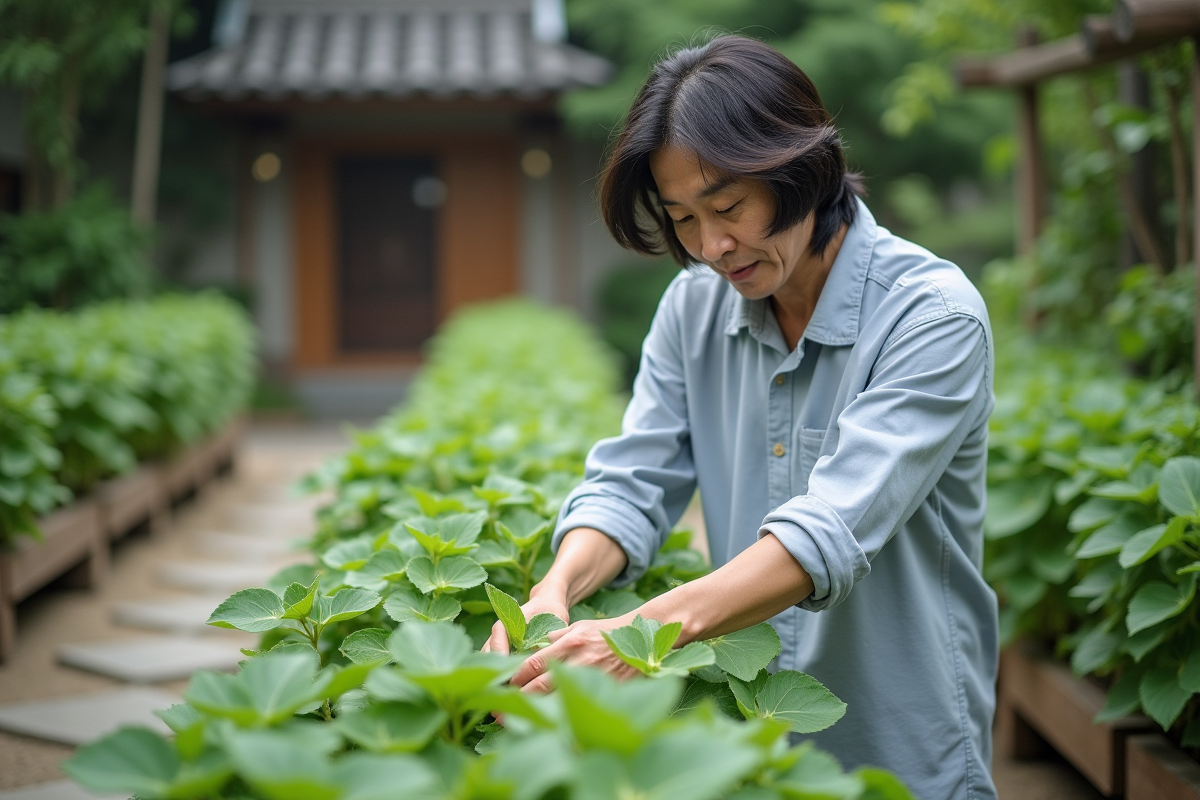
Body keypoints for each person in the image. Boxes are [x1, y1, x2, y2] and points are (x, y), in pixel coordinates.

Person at [483, 34, 998, 800]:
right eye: (683, 218)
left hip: (902, 749)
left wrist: (636, 640)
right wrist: (552, 592)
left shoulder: (931, 318)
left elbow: (825, 532)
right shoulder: (694, 308)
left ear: (802, 172)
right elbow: (633, 483)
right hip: (746, 750)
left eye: (729, 206)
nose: (713, 247)